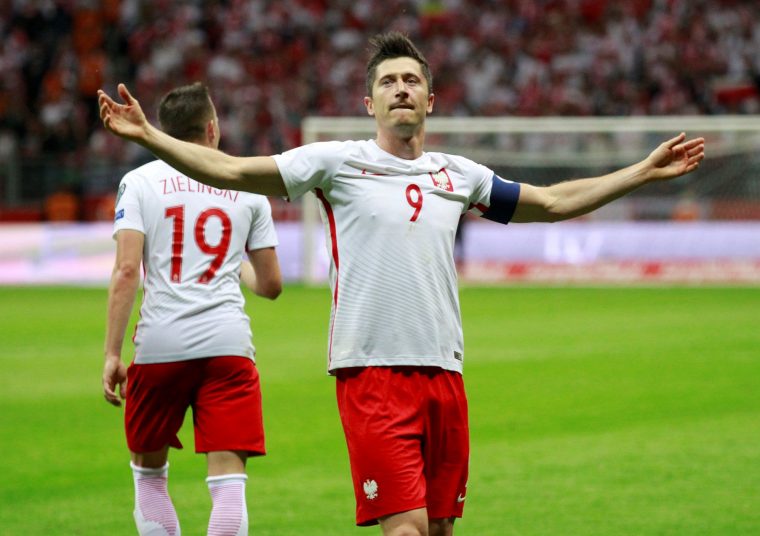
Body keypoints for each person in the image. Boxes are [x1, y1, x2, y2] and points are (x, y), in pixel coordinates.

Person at [98, 32, 705, 536]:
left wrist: (641, 172)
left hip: (445, 373)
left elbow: (550, 202)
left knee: (438, 528)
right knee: (407, 528)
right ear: (370, 104)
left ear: (430, 100)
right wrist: (151, 136)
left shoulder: (458, 175)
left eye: (411, 80)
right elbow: (231, 169)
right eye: (387, 82)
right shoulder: (335, 162)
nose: (400, 89)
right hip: (371, 374)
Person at [101, 82, 282, 536]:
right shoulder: (248, 185)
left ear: (163, 132)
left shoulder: (139, 181)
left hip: (160, 344)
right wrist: (234, 265)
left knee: (149, 477)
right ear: (212, 129)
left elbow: (127, 270)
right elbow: (271, 285)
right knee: (228, 485)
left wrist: (112, 353)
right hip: (228, 346)